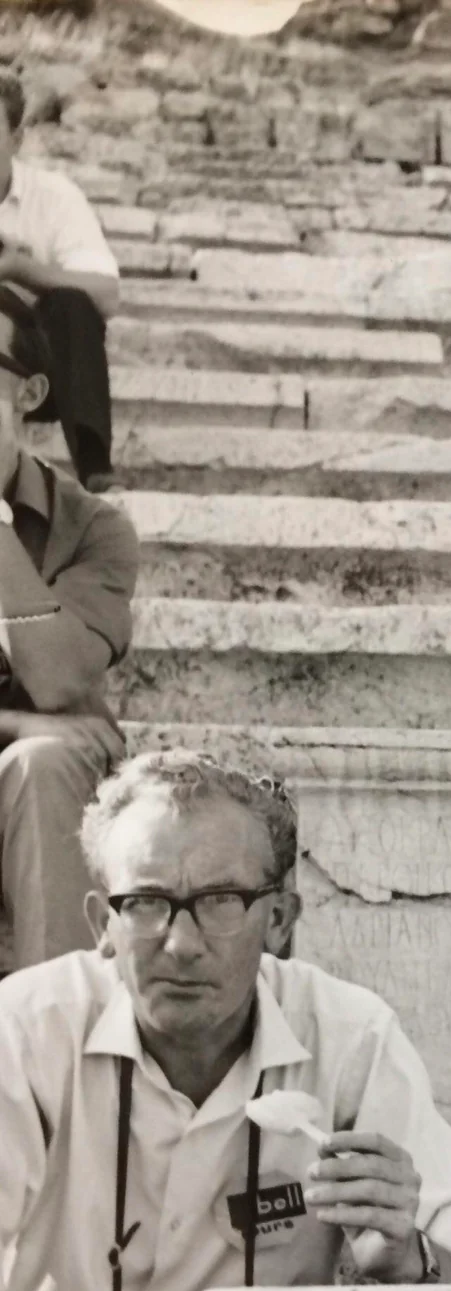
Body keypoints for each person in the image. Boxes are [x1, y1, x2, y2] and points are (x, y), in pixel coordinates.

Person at [0, 751, 451, 1291]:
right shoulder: (25, 1028)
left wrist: (416, 1258)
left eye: (221, 901)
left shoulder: (350, 1037)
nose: (180, 943)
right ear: (104, 922)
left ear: (279, 920)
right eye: (147, 903)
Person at [0, 283, 137, 977]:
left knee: (45, 762)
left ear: (29, 393)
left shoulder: (94, 528)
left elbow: (56, 679)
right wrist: (16, 723)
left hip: (38, 788)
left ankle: (49, 1031)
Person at [0, 68, 119, 490]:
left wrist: (21, 269)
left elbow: (107, 294)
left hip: (37, 374)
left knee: (71, 303)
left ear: (17, 140)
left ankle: (94, 467)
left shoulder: (54, 197)